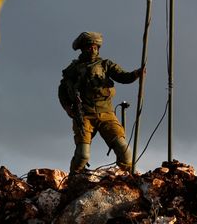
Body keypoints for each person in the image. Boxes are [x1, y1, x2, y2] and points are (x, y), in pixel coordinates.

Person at [58, 32, 144, 173]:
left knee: (125, 152)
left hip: (106, 114)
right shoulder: (73, 69)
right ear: (83, 49)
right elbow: (62, 90)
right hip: (84, 115)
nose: (93, 50)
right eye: (89, 47)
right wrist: (67, 108)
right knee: (82, 156)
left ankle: (127, 178)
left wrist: (136, 74)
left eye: (95, 47)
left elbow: (123, 77)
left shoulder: (105, 64)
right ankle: (73, 180)